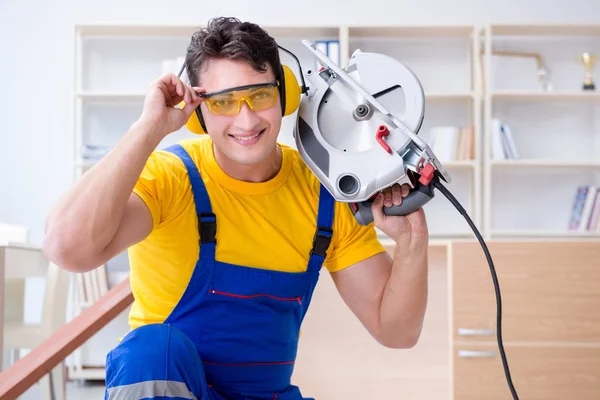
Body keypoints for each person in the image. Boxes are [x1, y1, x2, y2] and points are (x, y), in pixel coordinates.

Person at [44, 16, 429, 400]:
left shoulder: (323, 194)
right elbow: (66, 248)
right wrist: (148, 128)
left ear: (286, 95)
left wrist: (412, 243)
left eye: (260, 95)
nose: (246, 120)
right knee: (150, 350)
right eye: (224, 101)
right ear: (197, 111)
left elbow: (396, 331)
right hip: (170, 390)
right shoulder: (170, 179)